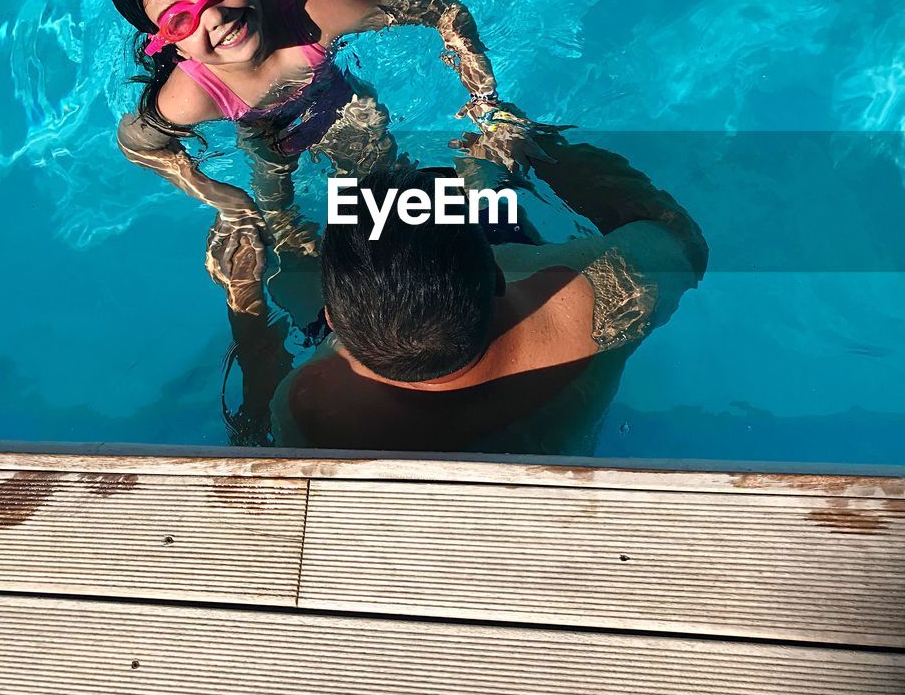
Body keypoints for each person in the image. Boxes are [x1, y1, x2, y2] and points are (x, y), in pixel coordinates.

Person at [108, 0, 516, 301]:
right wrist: (226, 202)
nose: (216, 14)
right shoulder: (193, 95)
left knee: (392, 198)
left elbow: (442, 10)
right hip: (268, 142)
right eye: (182, 19)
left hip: (344, 113)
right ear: (168, 44)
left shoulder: (310, 16)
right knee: (279, 231)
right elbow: (136, 142)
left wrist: (486, 105)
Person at [219, 120, 708, 453]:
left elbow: (255, 435)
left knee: (323, 232)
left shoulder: (312, 408)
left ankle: (284, 213)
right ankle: (488, 173)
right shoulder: (600, 299)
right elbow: (682, 239)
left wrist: (243, 297)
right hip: (556, 433)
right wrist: (544, 153)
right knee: (472, 195)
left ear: (333, 320)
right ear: (496, 276)